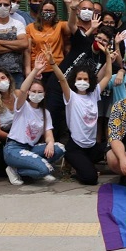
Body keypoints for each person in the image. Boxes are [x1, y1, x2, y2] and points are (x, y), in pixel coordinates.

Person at [49, 43, 113, 185]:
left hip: (92, 146)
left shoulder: (94, 93)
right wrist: (53, 63)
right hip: (75, 147)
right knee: (91, 178)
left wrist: (108, 57)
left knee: (115, 146)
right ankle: (76, 168)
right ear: (74, 80)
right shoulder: (71, 96)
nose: (82, 82)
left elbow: (108, 76)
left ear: (90, 81)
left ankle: (83, 165)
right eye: (79, 79)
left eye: (85, 79)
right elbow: (62, 79)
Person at [2, 54, 66, 185]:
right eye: (33, 91)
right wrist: (35, 70)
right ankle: (19, 169)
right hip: (14, 149)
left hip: (30, 148)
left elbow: (49, 134)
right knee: (45, 170)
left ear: (44, 94)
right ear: (29, 93)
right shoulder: (22, 105)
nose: (36, 94)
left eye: (39, 92)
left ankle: (23, 169)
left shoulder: (45, 112)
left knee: (59, 148)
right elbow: (23, 89)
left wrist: (50, 143)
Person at [46, 24, 115, 145]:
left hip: (76, 94)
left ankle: (67, 149)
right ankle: (49, 146)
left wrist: (108, 59)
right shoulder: (84, 43)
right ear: (94, 37)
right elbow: (72, 25)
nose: (100, 41)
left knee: (70, 124)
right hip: (57, 87)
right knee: (51, 119)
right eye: (99, 38)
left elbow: (99, 79)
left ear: (107, 45)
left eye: (104, 41)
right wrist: (73, 10)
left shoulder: (103, 58)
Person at [24, 0, 79, 81]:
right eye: (46, 10)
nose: (48, 13)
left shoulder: (60, 25)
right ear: (40, 11)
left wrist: (69, 5)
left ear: (55, 12)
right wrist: (28, 70)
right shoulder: (30, 27)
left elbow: (74, 26)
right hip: (37, 69)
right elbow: (27, 51)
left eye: (51, 11)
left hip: (57, 68)